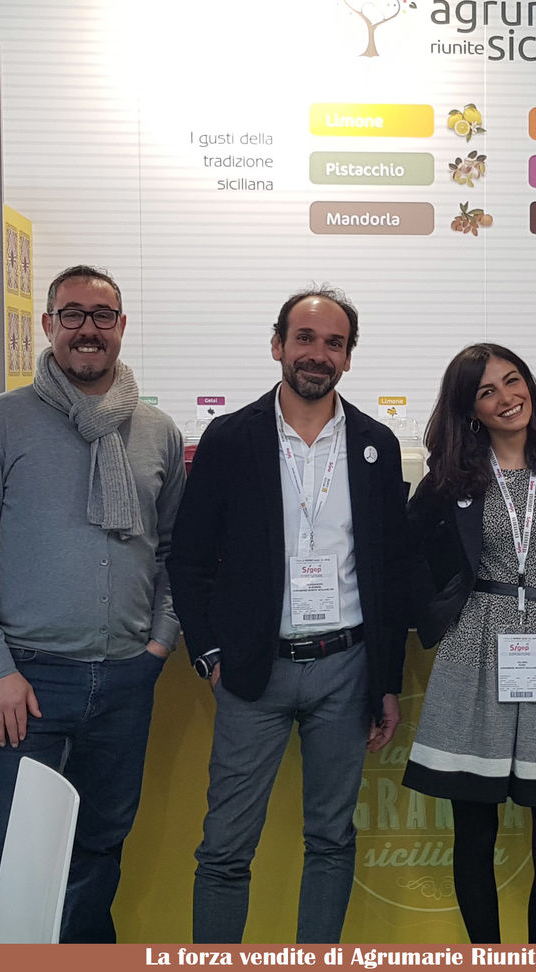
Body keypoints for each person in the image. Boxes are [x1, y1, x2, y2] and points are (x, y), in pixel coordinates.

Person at [0, 264, 184, 943]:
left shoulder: (157, 432)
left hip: (126, 679)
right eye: (71, 314)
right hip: (29, 683)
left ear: (121, 327)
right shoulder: (0, 422)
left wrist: (158, 645)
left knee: (100, 853)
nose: (87, 329)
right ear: (48, 325)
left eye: (102, 316)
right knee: (18, 857)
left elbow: (174, 552)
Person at [170, 287, 408, 943]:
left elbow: (390, 571)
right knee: (225, 847)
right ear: (278, 345)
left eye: (334, 343)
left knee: (331, 840)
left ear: (348, 357)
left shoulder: (375, 444)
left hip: (345, 669)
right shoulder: (229, 439)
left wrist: (385, 681)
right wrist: (210, 655)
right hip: (254, 671)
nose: (317, 353)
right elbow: (188, 558)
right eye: (304, 338)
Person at [403, 343, 536, 944]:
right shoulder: (452, 477)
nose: (506, 398)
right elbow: (405, 553)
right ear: (469, 409)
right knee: (474, 837)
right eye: (486, 391)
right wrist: (440, 609)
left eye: (513, 381)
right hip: (474, 653)